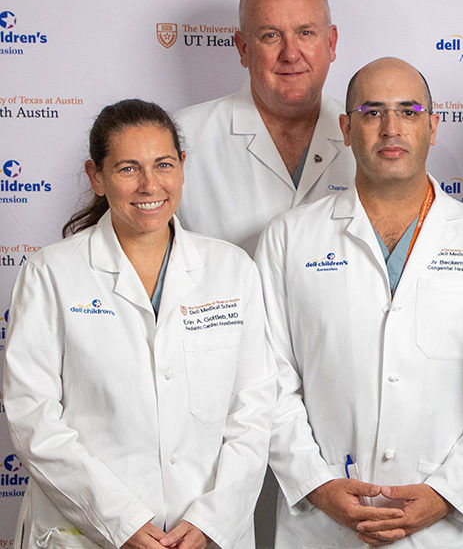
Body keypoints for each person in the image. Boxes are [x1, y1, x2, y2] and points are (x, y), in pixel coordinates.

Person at [255, 57, 463, 548]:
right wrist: (317, 484)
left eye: (409, 110)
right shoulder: (290, 238)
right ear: (346, 126)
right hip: (322, 523)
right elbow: (268, 379)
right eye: (372, 111)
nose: (391, 127)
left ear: (433, 125)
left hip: (446, 525)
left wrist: (447, 493)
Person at [3, 99, 274, 549]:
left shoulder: (232, 270)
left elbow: (253, 411)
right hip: (87, 533)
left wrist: (214, 519)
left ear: (183, 167)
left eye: (163, 164)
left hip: (203, 533)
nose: (150, 184)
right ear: (97, 176)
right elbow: (33, 417)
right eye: (128, 168)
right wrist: (119, 520)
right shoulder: (51, 272)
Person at [175, 0, 354, 253]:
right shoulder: (182, 137)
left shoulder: (368, 136)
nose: (291, 54)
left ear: (330, 43)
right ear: (243, 48)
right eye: (271, 36)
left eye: (305, 33)